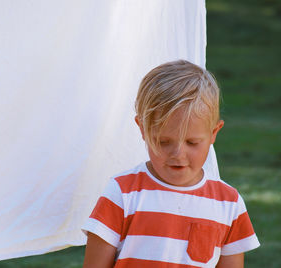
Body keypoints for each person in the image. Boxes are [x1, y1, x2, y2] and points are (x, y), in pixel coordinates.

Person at [82, 60, 260, 267]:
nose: (178, 154)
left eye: (192, 142)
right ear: (142, 129)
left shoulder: (229, 204)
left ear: (214, 133)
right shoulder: (122, 193)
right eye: (163, 141)